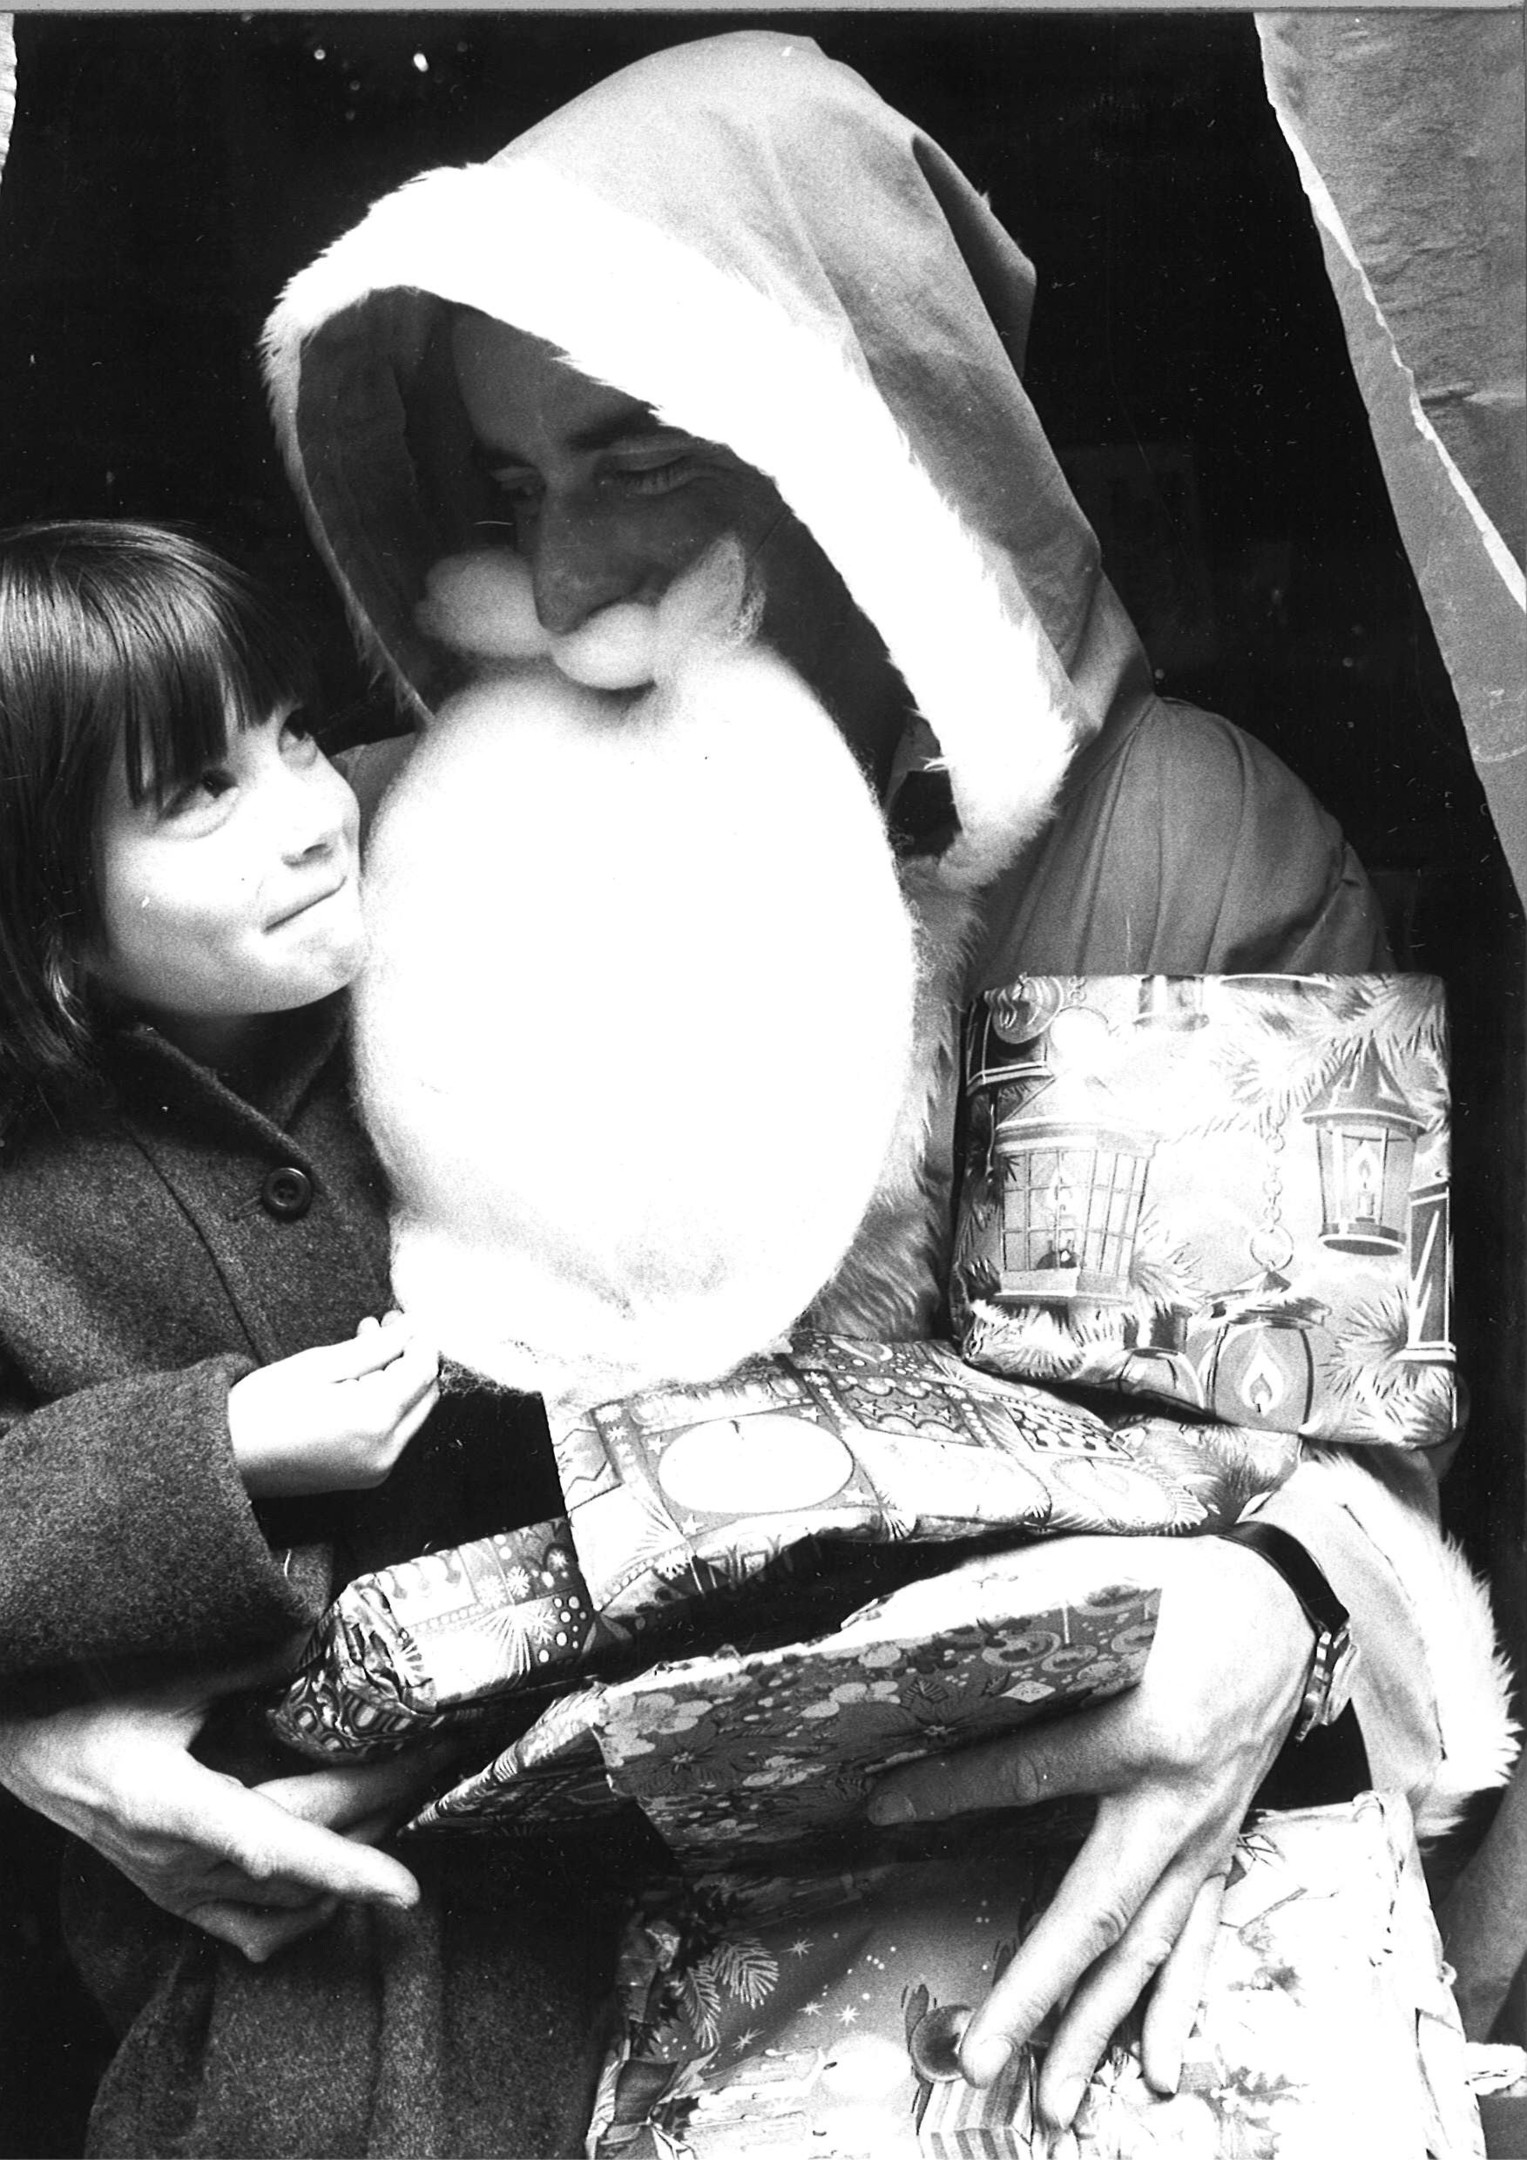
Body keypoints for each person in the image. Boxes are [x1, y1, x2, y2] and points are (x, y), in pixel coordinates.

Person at [2, 35, 1513, 2156]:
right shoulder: (402, 847)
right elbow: (107, 1262)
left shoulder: (1164, 846)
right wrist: (41, 1715)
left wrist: (1268, 1601)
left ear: (852, 445)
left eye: (639, 460)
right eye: (511, 491)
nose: (561, 582)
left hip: (1019, 1971)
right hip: (495, 2007)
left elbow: (1307, 1486)